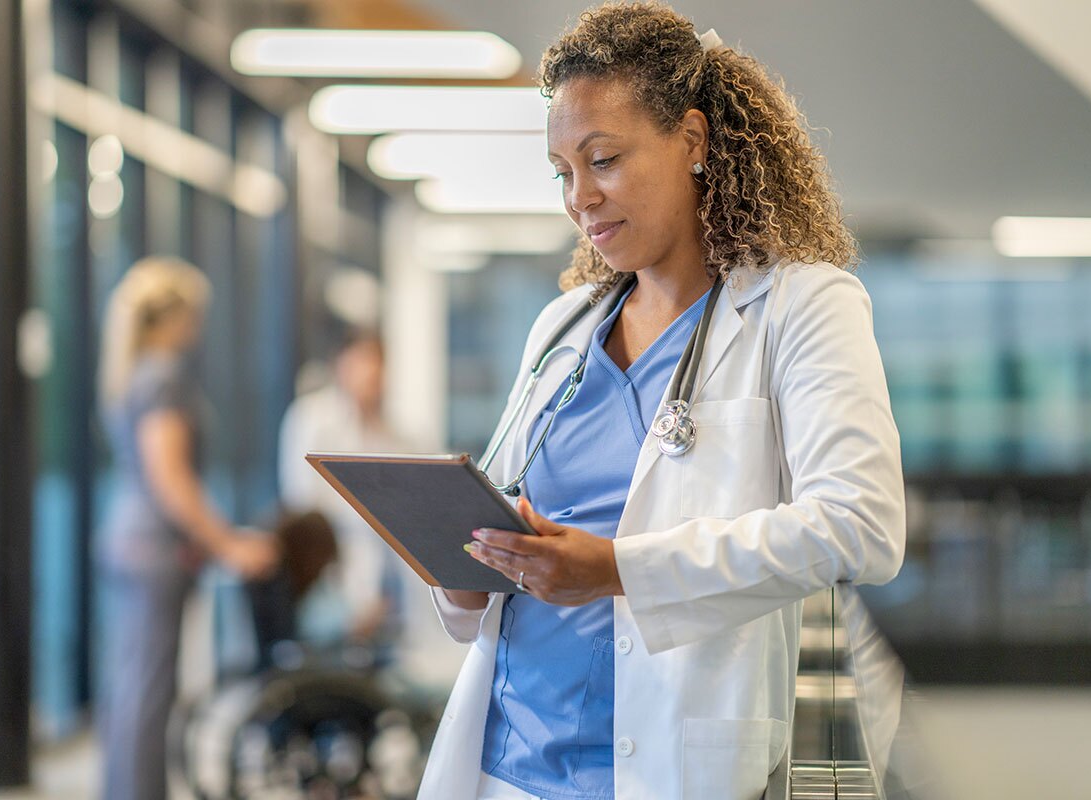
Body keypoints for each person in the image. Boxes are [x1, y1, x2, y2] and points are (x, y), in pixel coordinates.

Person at [417, 5, 905, 800]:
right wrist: (466, 575)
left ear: (694, 140)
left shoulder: (800, 308)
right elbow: (508, 511)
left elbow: (862, 526)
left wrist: (617, 570)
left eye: (603, 159)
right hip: (508, 763)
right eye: (562, 172)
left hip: (668, 764)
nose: (580, 198)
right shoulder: (564, 324)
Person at [96, 256, 278, 800]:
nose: (198, 325)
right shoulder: (163, 374)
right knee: (148, 690)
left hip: (128, 538)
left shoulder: (134, 371)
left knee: (132, 686)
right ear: (174, 315)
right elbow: (170, 476)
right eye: (195, 313)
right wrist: (227, 544)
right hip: (154, 548)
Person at [278, 328, 410, 647]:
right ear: (341, 365)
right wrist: (350, 602)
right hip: (326, 573)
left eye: (378, 363)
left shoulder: (396, 433)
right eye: (363, 362)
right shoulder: (313, 418)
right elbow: (306, 510)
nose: (372, 374)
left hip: (385, 582)